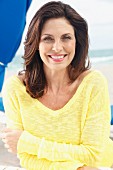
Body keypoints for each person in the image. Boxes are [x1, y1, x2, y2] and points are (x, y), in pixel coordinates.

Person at [1, 1, 113, 170]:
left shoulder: (93, 83)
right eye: (48, 39)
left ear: (77, 42)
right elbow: (26, 159)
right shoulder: (15, 89)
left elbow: (92, 155)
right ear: (36, 44)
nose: (57, 47)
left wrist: (27, 142)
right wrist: (78, 167)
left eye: (66, 37)